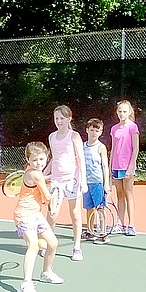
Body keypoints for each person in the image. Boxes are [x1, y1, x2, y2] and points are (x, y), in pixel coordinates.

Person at [15, 142, 64, 292]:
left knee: (53, 243)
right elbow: (47, 197)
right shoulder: (35, 174)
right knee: (34, 246)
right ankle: (26, 283)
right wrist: (53, 201)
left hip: (35, 215)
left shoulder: (35, 173)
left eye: (42, 159)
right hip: (24, 215)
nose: (39, 163)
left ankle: (46, 272)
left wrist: (47, 201)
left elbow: (42, 198)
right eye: (35, 160)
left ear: (47, 158)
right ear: (28, 159)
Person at [44, 105, 87, 261]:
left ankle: (76, 247)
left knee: (75, 215)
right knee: (52, 215)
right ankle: (48, 244)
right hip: (56, 181)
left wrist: (83, 181)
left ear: (69, 118)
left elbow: (80, 159)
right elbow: (54, 158)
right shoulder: (52, 137)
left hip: (73, 180)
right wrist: (43, 174)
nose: (59, 121)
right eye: (56, 118)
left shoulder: (74, 136)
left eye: (62, 118)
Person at [110, 100, 140, 236]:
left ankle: (131, 225)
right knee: (119, 195)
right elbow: (113, 148)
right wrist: (110, 167)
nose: (122, 114)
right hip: (116, 166)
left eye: (124, 111)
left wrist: (130, 167)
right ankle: (120, 223)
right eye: (120, 111)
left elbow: (136, 149)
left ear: (129, 112)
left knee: (128, 194)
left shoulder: (133, 127)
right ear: (117, 112)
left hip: (127, 166)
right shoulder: (114, 129)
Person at [82, 118, 111, 245]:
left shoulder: (101, 147)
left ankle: (103, 233)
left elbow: (105, 166)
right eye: (92, 130)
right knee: (89, 208)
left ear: (100, 132)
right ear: (87, 130)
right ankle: (90, 231)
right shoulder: (82, 146)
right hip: (86, 182)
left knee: (100, 208)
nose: (94, 132)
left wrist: (106, 184)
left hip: (98, 182)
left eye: (96, 130)